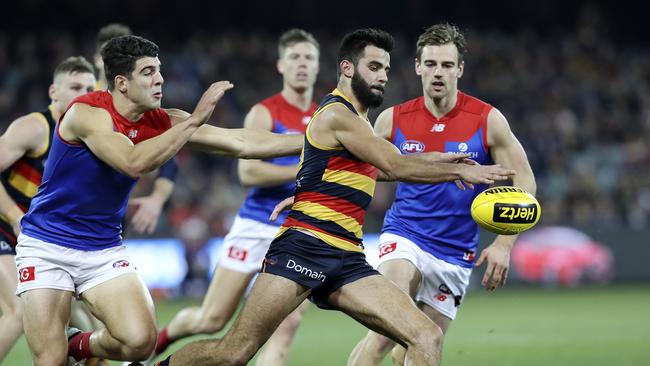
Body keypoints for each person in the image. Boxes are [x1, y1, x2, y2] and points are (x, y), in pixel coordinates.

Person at [159, 28, 515, 366]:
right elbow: (393, 162)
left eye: (386, 70)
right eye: (374, 67)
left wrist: (437, 160)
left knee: (426, 336)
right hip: (303, 248)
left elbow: (382, 168)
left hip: (346, 257)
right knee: (234, 353)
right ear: (347, 68)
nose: (383, 77)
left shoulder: (359, 122)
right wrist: (461, 170)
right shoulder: (337, 115)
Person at [14, 35, 303, 365]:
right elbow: (133, 162)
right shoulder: (87, 113)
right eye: (149, 72)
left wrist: (317, 140)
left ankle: (78, 344)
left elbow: (241, 142)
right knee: (49, 361)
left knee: (140, 342)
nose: (160, 79)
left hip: (102, 248)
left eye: (159, 70)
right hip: (46, 245)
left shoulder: (162, 120)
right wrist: (194, 120)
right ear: (122, 83)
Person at [347, 23, 537, 366]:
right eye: (431, 64)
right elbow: (358, 173)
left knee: (419, 349)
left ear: (460, 69)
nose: (438, 73)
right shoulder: (392, 120)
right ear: (418, 66)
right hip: (404, 235)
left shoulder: (487, 120)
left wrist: (503, 243)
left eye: (447, 65)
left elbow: (524, 181)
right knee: (383, 332)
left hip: (455, 254)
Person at [153, 29, 319, 365]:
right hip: (257, 224)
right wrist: (306, 169)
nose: (302, 64)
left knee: (288, 321)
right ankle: (157, 344)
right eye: (295, 57)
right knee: (211, 319)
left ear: (318, 67)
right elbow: (249, 173)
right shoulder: (265, 112)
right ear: (280, 66)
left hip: (296, 229)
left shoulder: (324, 117)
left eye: (309, 58)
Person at [0, 56, 96, 362]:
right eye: (75, 86)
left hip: (44, 238)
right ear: (54, 92)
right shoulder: (35, 128)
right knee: (18, 311)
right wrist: (15, 217)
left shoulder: (89, 135)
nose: (84, 93)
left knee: (79, 323)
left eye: (90, 87)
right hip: (6, 226)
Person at [95, 23, 178, 236]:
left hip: (115, 212)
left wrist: (157, 200)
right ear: (97, 59)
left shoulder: (144, 108)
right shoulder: (81, 104)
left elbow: (170, 159)